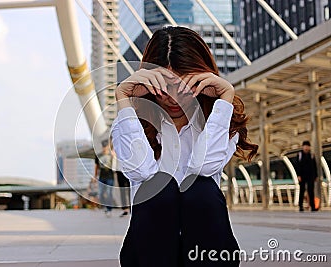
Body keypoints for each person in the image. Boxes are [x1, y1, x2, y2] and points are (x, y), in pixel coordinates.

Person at [111, 26, 258, 267]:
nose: (173, 97)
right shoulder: (129, 123)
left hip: (206, 250)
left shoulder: (219, 120)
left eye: (184, 86)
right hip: (150, 251)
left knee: (201, 190)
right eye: (164, 87)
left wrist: (225, 97)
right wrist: (124, 98)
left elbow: (202, 167)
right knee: (159, 186)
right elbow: (141, 173)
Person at [296, 140, 318, 212]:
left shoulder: (311, 155)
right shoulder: (299, 155)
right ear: (302, 147)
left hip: (310, 176)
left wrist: (316, 176)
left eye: (307, 146)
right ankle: (300, 206)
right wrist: (298, 175)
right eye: (305, 146)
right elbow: (297, 166)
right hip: (302, 176)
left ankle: (313, 206)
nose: (306, 148)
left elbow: (314, 166)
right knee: (302, 191)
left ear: (309, 147)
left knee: (311, 191)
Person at [94, 139, 114, 217]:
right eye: (103, 147)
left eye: (106, 147)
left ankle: (109, 209)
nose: (104, 148)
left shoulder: (112, 155)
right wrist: (95, 176)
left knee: (109, 193)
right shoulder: (98, 155)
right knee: (101, 193)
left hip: (110, 177)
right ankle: (106, 206)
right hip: (101, 177)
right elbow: (96, 166)